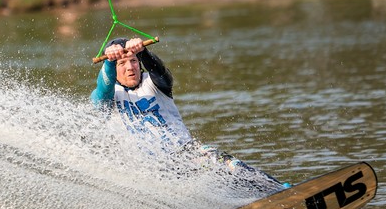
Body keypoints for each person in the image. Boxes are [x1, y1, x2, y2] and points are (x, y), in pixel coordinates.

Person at [90, 37, 286, 185]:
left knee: (230, 165)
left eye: (133, 61)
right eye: (122, 63)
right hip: (151, 171)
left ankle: (279, 190)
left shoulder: (155, 83)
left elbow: (161, 72)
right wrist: (108, 62)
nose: (130, 67)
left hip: (186, 153)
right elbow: (102, 90)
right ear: (113, 70)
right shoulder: (107, 97)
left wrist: (143, 52)